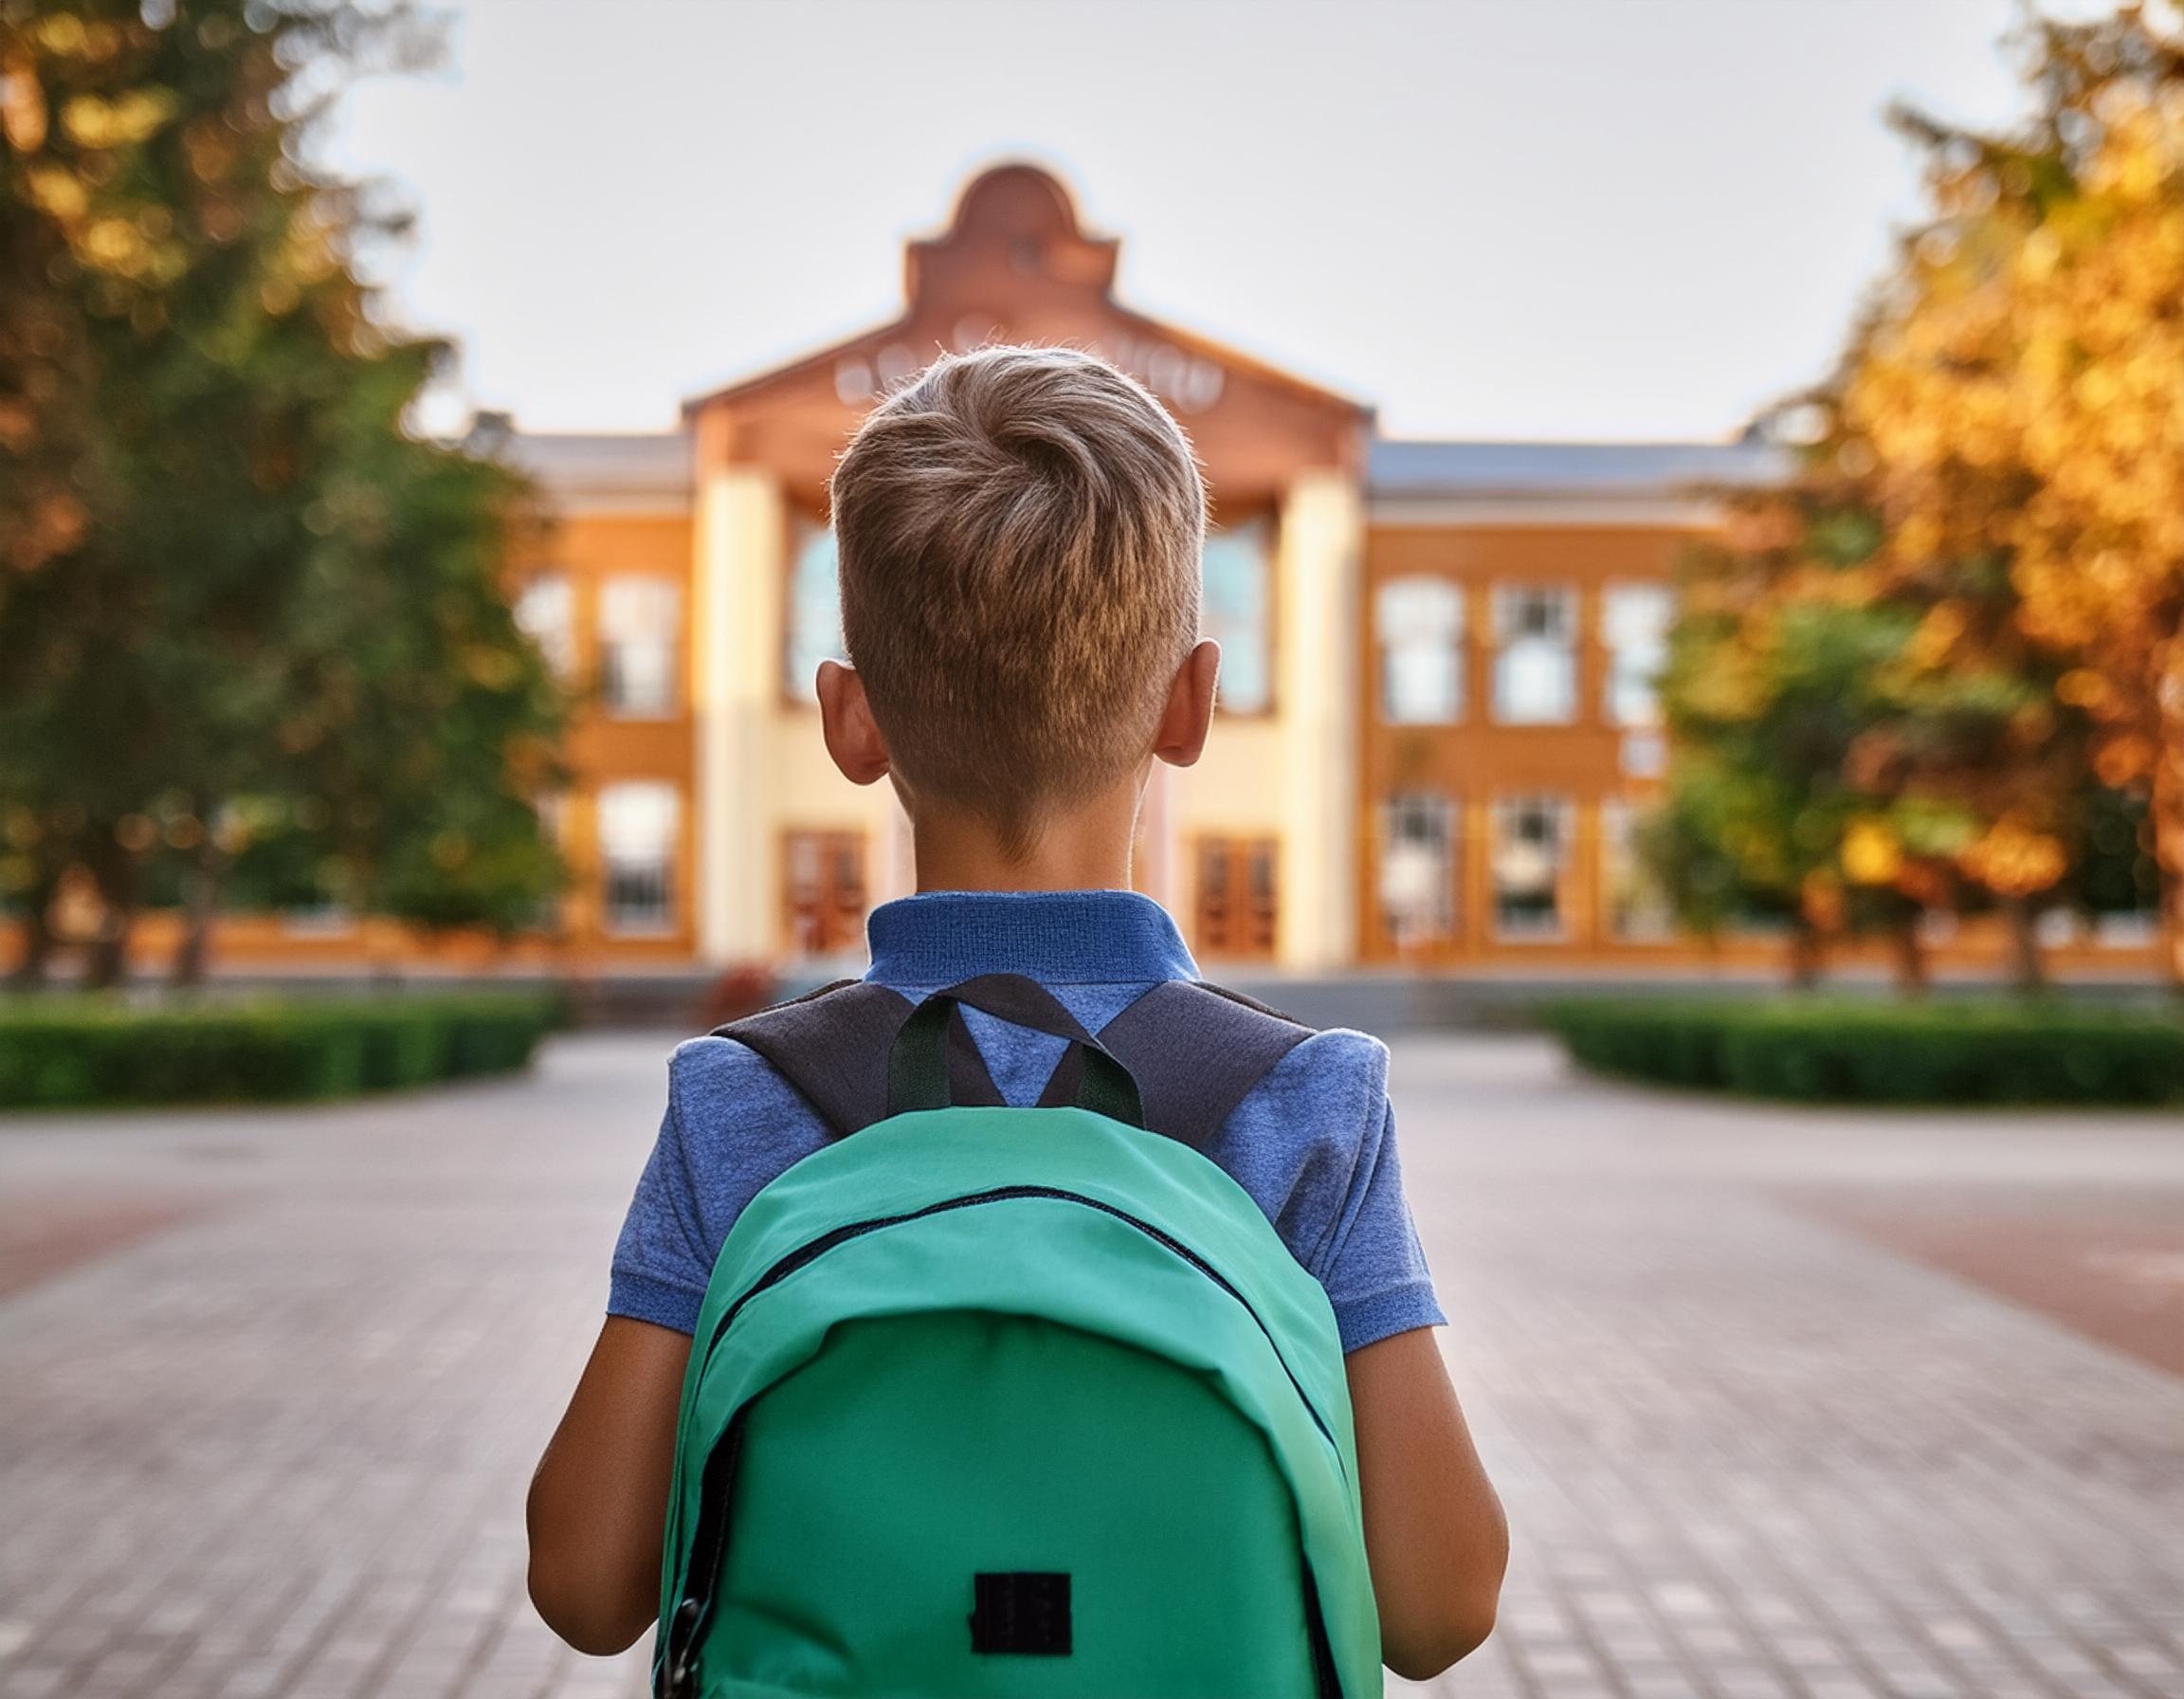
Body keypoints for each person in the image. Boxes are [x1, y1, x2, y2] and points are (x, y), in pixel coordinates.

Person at [526, 344, 1508, 1682]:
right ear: (1191, 703)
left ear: (848, 722)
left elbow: (586, 1582)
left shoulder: (746, 1098)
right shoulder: (1304, 1101)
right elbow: (1441, 1606)